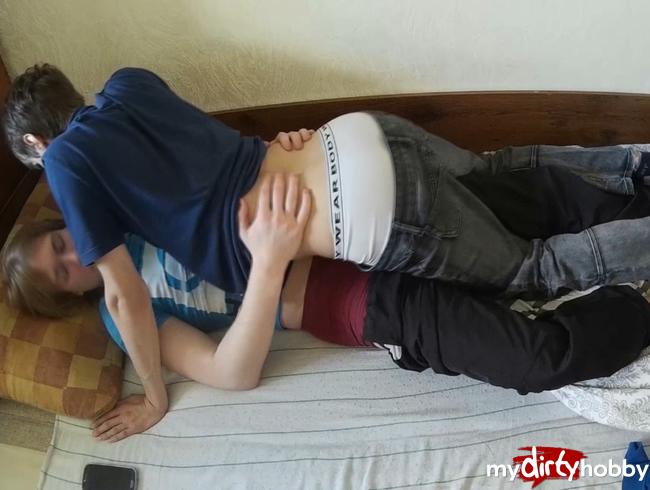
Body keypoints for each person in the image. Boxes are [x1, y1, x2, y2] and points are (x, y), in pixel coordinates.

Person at [6, 63, 650, 438]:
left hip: (355, 214)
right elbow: (229, 369)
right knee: (510, 207)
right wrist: (267, 259)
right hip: (359, 277)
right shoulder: (126, 106)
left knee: (531, 256)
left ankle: (634, 210)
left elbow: (215, 167)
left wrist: (153, 399)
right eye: (62, 275)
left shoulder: (87, 176)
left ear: (41, 151)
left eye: (62, 243)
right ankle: (632, 250)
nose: (76, 259)